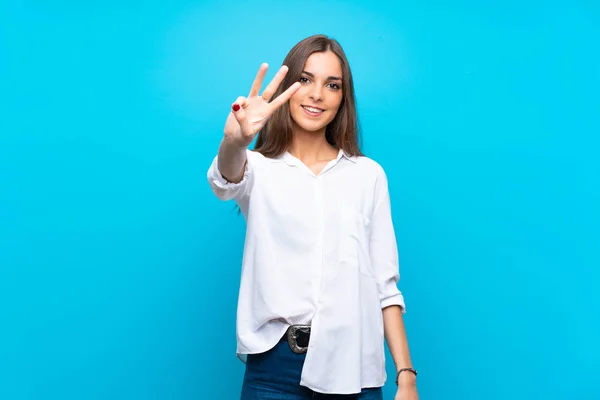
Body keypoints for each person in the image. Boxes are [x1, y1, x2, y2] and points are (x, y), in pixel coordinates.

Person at [207, 34, 419, 400]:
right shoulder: (257, 169)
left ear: (343, 98)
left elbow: (385, 286)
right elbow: (225, 179)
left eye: (332, 85)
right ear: (288, 88)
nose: (317, 94)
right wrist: (235, 141)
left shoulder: (368, 175)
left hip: (352, 369)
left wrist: (406, 377)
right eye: (305, 80)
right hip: (272, 370)